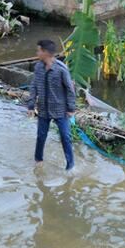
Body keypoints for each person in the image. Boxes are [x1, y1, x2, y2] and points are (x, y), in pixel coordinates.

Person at [28, 39, 76, 171]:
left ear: (46, 53)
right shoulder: (38, 67)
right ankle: (38, 160)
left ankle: (70, 165)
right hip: (43, 109)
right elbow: (34, 86)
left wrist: (71, 108)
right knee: (41, 136)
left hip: (60, 110)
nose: (37, 53)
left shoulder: (61, 69)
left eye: (39, 50)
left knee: (65, 137)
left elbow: (70, 89)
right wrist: (31, 105)